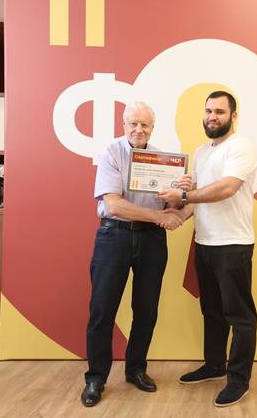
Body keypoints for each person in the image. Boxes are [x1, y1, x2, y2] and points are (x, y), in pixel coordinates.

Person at [159, 90, 257, 407]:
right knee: (212, 311)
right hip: (204, 243)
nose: (212, 117)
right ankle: (215, 365)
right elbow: (198, 200)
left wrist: (184, 197)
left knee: (240, 316)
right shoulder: (201, 152)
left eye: (219, 111)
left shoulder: (241, 147)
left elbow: (227, 188)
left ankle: (238, 380)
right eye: (208, 111)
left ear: (233, 116)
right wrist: (176, 216)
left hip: (233, 245)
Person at [81, 102, 183, 407]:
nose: (139, 129)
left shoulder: (164, 161)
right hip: (114, 235)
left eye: (145, 125)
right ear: (123, 124)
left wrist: (183, 193)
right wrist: (159, 217)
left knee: (146, 308)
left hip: (152, 240)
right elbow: (113, 204)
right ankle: (96, 377)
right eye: (133, 124)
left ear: (153, 128)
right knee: (102, 309)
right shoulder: (111, 153)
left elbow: (173, 208)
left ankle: (136, 369)